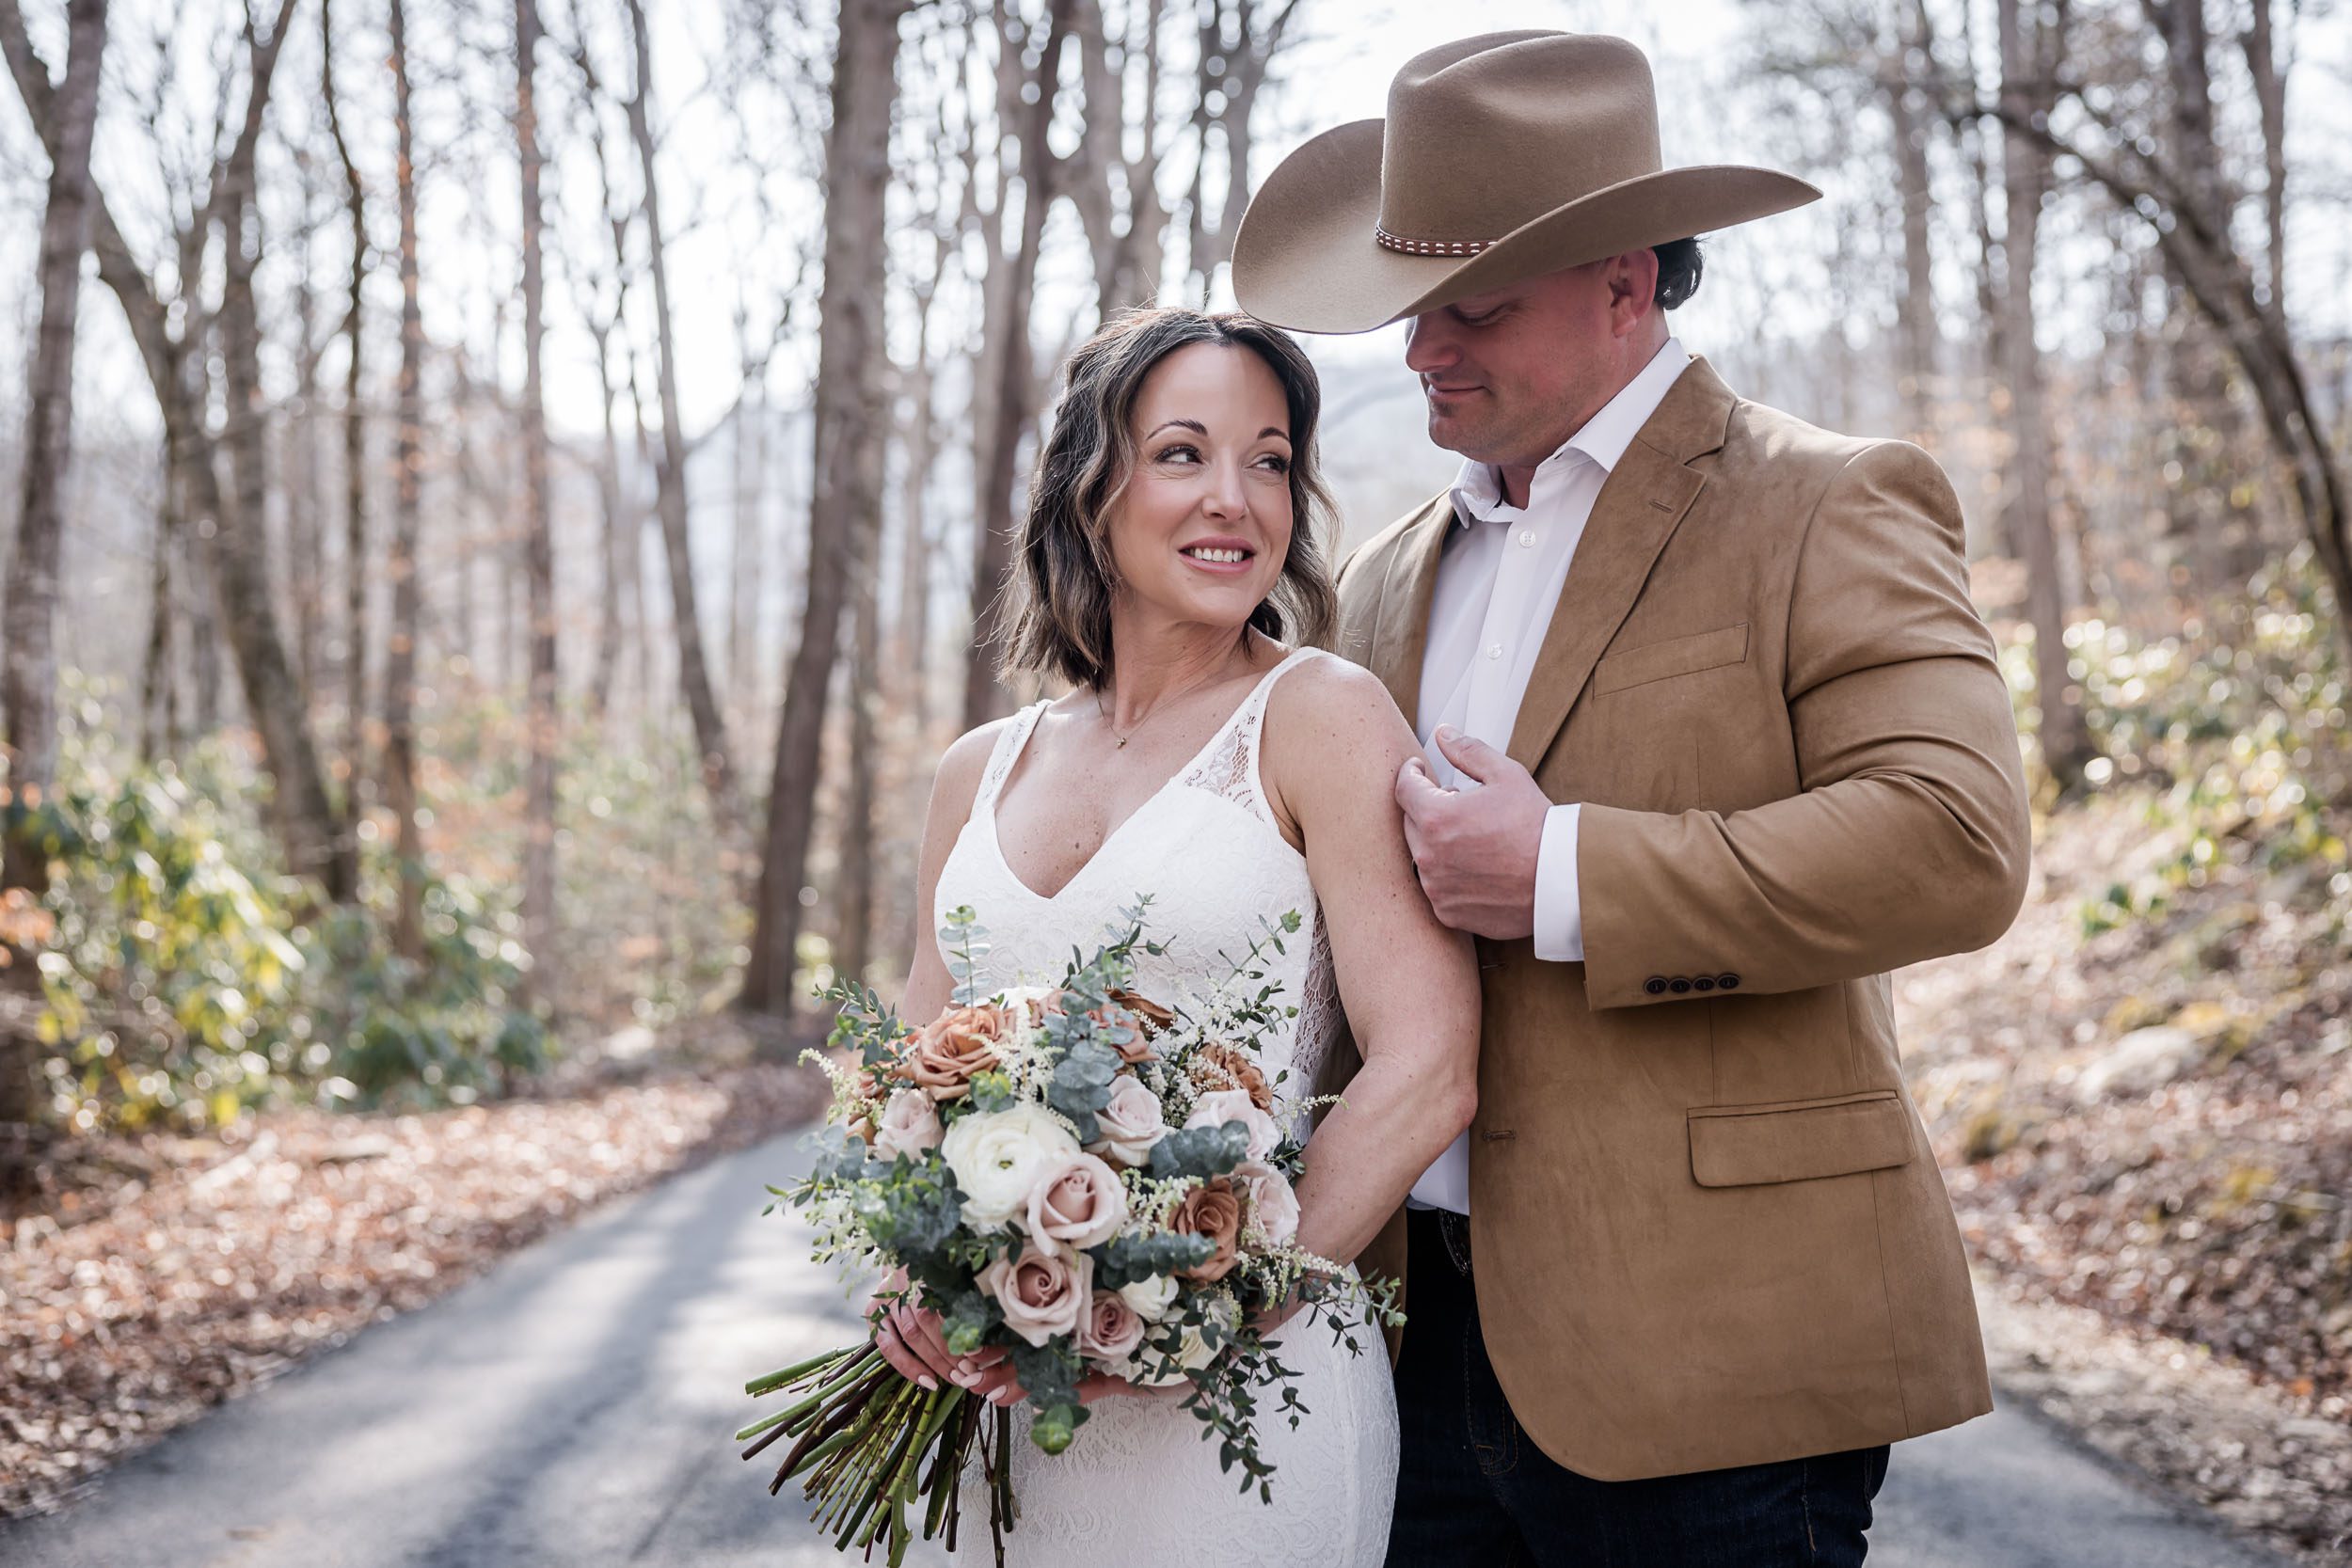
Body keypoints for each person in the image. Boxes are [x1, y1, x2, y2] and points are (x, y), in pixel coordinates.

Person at [1229, 30, 2034, 1568]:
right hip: (1401, 1350)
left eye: (1475, 307)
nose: (1420, 352)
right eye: (1413, 309)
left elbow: (1957, 840)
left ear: (1626, 280)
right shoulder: (1389, 571)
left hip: (1715, 1356)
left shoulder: (1830, 498)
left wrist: (1562, 872)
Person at [873, 306, 1482, 1564]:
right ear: (1091, 487)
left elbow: (1429, 1068)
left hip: (1249, 1404)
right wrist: (911, 1281)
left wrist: (1205, 1315)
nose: (1238, 501)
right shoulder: (977, 771)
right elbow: (911, 1074)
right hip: (996, 1399)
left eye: (1269, 461)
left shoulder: (1319, 715)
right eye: (1184, 454)